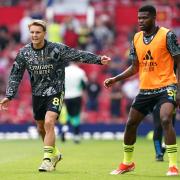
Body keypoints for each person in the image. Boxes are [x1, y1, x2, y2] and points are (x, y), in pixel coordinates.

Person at [0, 19, 111, 172]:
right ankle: (54, 153)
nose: (34, 35)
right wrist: (10, 95)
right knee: (40, 128)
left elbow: (77, 54)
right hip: (37, 94)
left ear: (44, 33)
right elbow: (15, 74)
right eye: (32, 32)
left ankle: (47, 160)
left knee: (49, 122)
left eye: (38, 32)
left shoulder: (56, 49)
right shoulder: (24, 52)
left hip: (55, 91)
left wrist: (98, 59)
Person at [104, 5, 180, 176]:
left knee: (166, 119)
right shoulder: (136, 38)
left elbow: (178, 62)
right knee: (131, 123)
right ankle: (127, 163)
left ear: (154, 18)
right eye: (139, 18)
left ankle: (173, 165)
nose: (140, 21)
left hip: (166, 86)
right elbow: (134, 67)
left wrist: (178, 88)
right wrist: (116, 79)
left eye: (144, 18)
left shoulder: (167, 35)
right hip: (146, 89)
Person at [63, 62, 88, 143]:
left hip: (66, 96)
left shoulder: (64, 70)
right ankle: (76, 136)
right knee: (76, 115)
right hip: (77, 96)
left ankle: (64, 130)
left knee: (68, 114)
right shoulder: (80, 71)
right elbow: (84, 85)